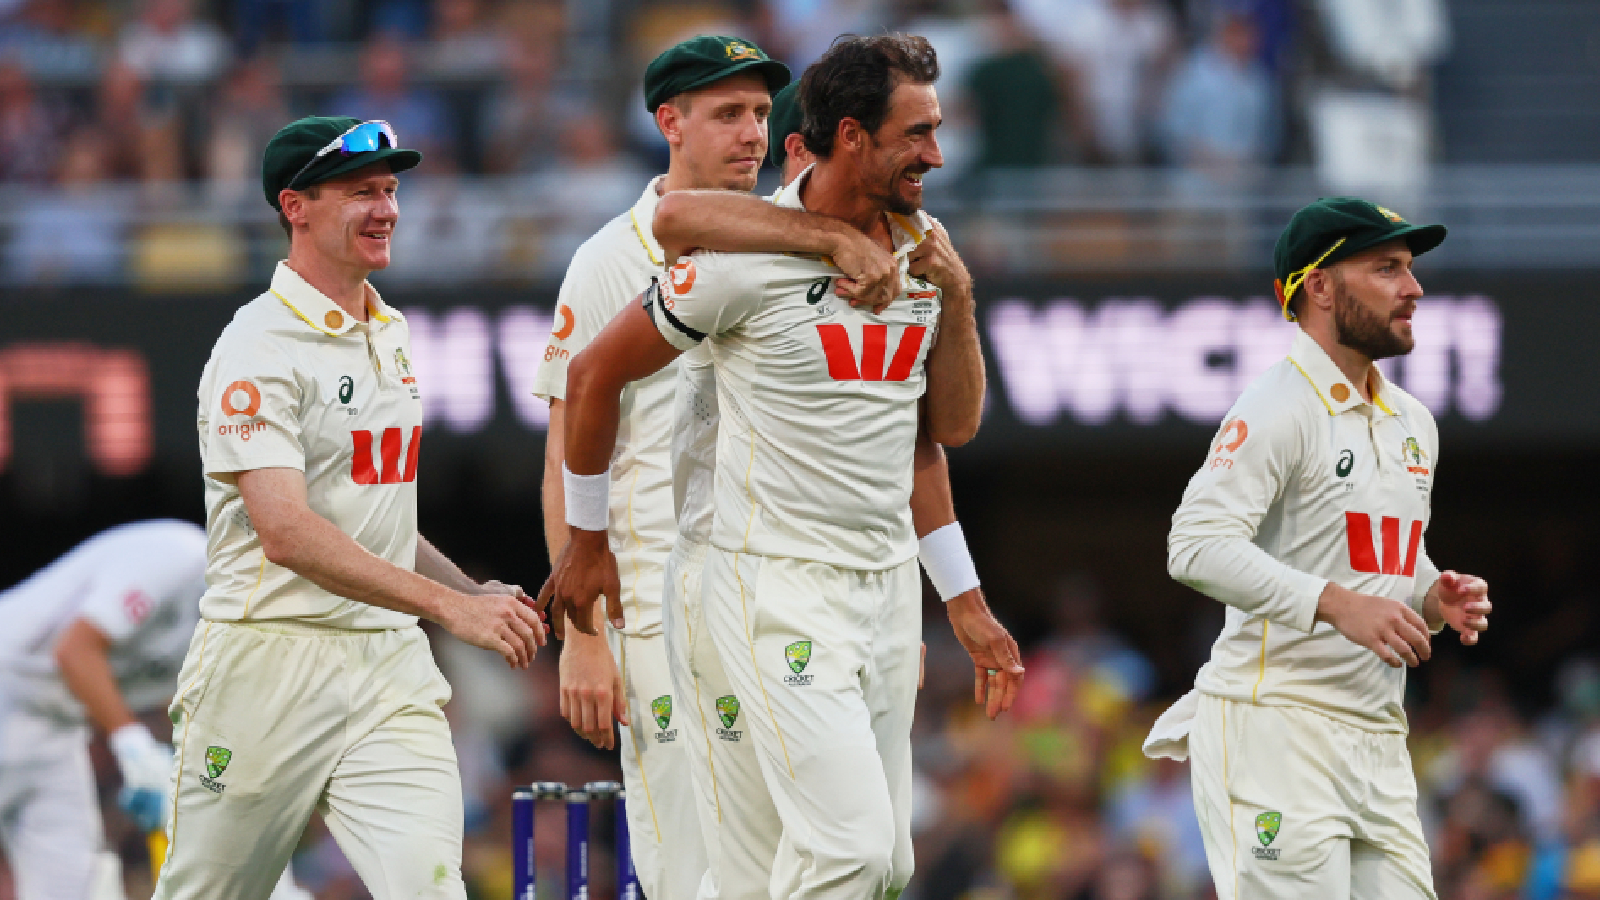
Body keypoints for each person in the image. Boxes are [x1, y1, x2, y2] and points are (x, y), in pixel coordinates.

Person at [543, 34, 1022, 900]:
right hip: (740, 582)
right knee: (831, 857)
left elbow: (936, 434)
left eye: (761, 112)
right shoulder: (734, 252)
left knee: (868, 866)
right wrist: (584, 563)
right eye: (916, 134)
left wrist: (961, 596)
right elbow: (605, 349)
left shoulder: (922, 246)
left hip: (879, 587)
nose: (937, 156)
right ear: (851, 136)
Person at [154, 116, 545, 900]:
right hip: (266, 665)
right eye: (362, 192)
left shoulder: (390, 330)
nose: (386, 209)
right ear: (295, 206)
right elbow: (288, 533)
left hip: (386, 666)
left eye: (391, 190)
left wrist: (470, 591)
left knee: (432, 889)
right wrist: (448, 609)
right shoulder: (256, 345)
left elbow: (378, 520)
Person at [1143, 197, 1494, 899]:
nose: (1414, 288)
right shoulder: (1278, 405)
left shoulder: (1413, 422)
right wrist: (1335, 604)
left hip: (1377, 736)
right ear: (1322, 287)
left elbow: (1371, 560)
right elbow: (1195, 545)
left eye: (1409, 268)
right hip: (1275, 726)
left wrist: (1431, 595)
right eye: (1387, 268)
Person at [0, 521, 309, 900]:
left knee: (71, 885)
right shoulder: (177, 555)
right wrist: (134, 747)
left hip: (58, 726)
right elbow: (75, 652)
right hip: (7, 684)